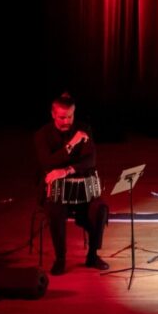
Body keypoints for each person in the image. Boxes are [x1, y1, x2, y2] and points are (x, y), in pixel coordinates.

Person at [34, 93, 110, 275]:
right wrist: (71, 144)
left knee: (100, 209)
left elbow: (90, 161)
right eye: (62, 117)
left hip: (81, 192)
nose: (66, 121)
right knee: (55, 210)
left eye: (70, 116)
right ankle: (60, 258)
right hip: (55, 194)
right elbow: (48, 163)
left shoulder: (84, 129)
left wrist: (66, 170)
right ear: (53, 114)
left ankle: (92, 255)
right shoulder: (42, 135)